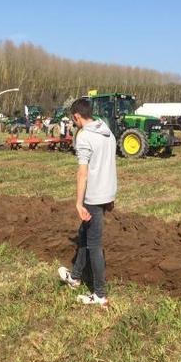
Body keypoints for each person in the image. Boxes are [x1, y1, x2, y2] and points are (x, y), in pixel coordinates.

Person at [58, 98, 117, 306]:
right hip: (107, 193)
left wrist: (78, 203)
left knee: (94, 244)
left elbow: (82, 174)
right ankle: (75, 277)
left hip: (94, 196)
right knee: (84, 233)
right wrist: (111, 196)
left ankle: (99, 295)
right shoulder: (107, 131)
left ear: (76, 116)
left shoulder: (84, 137)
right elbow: (109, 163)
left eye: (73, 120)